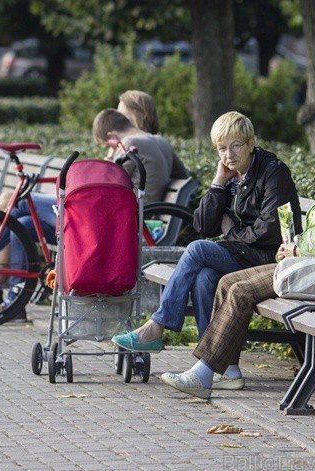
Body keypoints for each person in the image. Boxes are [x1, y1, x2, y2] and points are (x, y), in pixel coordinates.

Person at [160, 120, 315, 399]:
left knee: (240, 290)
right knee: (226, 282)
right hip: (312, 265)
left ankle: (202, 374)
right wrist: (294, 247)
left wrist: (298, 247)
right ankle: (229, 372)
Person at [0, 109, 183, 313]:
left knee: (21, 202)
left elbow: (106, 188)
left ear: (110, 135)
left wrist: (110, 156)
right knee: (23, 223)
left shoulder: (127, 145)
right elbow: (183, 177)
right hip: (129, 216)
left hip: (109, 222)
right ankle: (12, 301)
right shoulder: (160, 141)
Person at [112, 111, 301, 355]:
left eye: (235, 146)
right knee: (205, 278)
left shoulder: (273, 172)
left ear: (251, 143)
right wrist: (217, 183)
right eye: (221, 148)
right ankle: (216, 365)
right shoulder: (231, 176)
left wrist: (231, 232)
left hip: (268, 258)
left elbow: (270, 230)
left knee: (198, 248)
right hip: (243, 252)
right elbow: (203, 225)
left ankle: (156, 326)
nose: (228, 155)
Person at [115, 90, 189, 180]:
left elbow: (111, 181)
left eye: (121, 116)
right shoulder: (162, 142)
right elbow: (183, 177)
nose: (116, 120)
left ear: (137, 116)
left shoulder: (132, 142)